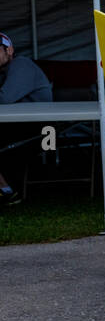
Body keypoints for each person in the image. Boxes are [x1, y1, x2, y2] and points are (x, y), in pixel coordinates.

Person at [0, 32, 53, 205]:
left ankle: (7, 191)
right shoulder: (4, 70)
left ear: (9, 50)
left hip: (45, 133)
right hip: (21, 127)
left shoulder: (21, 65)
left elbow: (4, 98)